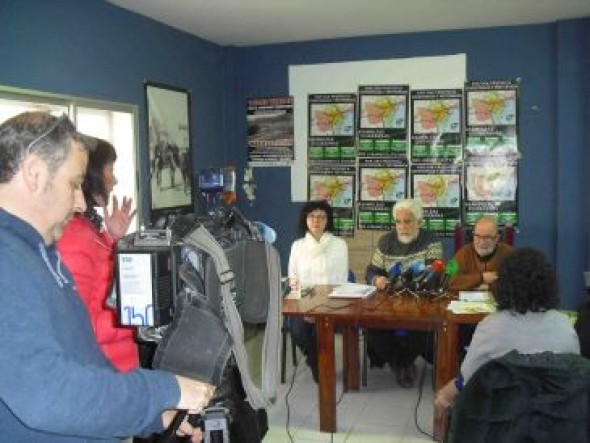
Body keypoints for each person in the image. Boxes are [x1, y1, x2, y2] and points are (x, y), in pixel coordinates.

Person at [0, 112, 213, 442]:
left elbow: (84, 359)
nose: (80, 201)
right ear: (34, 173)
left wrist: (153, 414)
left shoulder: (39, 249)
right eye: (73, 184)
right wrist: (162, 390)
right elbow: (46, 394)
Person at [434, 247, 580, 435]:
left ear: (503, 284)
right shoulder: (565, 326)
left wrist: (443, 396)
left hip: (501, 424)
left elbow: (467, 379)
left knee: (446, 398)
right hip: (552, 425)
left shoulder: (491, 326)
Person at [57, 137, 139, 372]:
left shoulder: (85, 228)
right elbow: (77, 326)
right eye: (110, 169)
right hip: (105, 373)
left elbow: (96, 282)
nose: (113, 179)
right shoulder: (73, 234)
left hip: (119, 368)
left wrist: (111, 238)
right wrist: (136, 318)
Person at [365, 199, 443, 388]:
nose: (402, 226)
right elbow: (371, 270)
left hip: (420, 302)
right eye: (398, 222)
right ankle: (401, 362)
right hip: (389, 302)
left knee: (417, 330)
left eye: (407, 221)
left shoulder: (430, 240)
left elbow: (435, 274)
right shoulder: (385, 241)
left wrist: (412, 281)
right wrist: (377, 280)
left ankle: (402, 363)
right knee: (373, 329)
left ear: (419, 222)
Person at [287, 200, 349, 382]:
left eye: (321, 217)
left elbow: (340, 280)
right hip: (305, 302)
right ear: (305, 220)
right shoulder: (297, 246)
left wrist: (322, 307)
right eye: (312, 216)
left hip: (333, 302)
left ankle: (320, 363)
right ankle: (316, 361)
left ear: (327, 220)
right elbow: (294, 279)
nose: (316, 221)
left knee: (324, 329)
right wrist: (308, 308)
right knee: (298, 331)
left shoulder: (339, 245)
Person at [448, 215, 513, 292]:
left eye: (487, 237)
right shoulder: (462, 252)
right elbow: (447, 279)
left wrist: (489, 287)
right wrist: (482, 278)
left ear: (496, 238)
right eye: (477, 236)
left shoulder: (510, 253)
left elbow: (519, 282)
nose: (482, 243)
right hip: (468, 302)